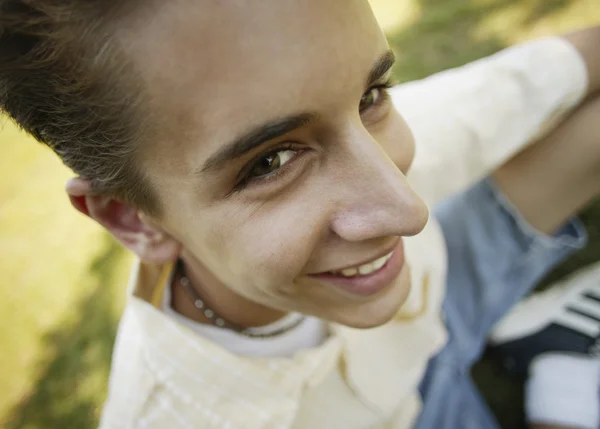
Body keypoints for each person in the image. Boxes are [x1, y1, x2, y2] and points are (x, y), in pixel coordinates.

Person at [0, 1, 599, 428]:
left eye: (371, 96)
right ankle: (563, 382)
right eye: (272, 162)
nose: (407, 209)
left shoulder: (361, 157)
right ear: (135, 220)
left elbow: (523, 85)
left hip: (441, 302)